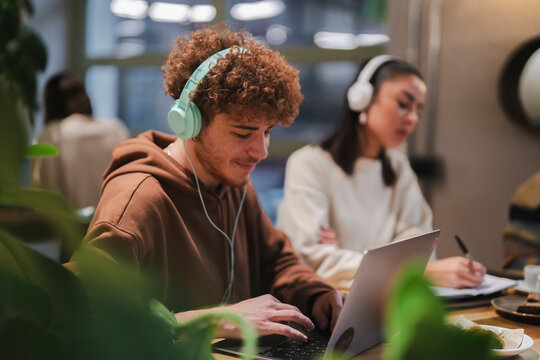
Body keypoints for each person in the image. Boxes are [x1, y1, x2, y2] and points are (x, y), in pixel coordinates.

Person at [67, 24, 343, 341]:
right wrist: (208, 321)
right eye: (242, 133)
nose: (261, 151)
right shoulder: (139, 199)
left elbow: (277, 261)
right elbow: (81, 309)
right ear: (190, 122)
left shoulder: (237, 185)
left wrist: (316, 294)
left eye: (267, 132)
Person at [277, 55, 487, 290]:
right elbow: (315, 260)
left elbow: (419, 247)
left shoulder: (398, 167)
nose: (412, 118)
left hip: (388, 302)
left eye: (418, 109)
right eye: (403, 104)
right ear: (362, 99)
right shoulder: (309, 164)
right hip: (329, 307)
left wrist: (349, 257)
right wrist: (411, 269)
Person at [31, 71, 130, 210]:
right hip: (115, 224)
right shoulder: (116, 129)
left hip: (69, 228)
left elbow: (44, 195)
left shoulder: (49, 137)